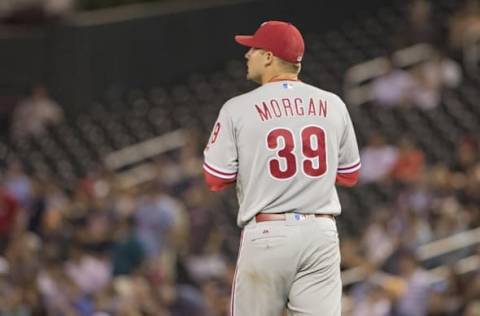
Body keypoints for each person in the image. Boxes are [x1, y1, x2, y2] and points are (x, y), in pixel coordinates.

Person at [202, 21, 361, 316]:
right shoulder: (333, 103)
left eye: (253, 48)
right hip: (320, 233)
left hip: (268, 232)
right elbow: (350, 174)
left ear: (269, 56)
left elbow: (215, 177)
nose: (247, 54)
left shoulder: (237, 107)